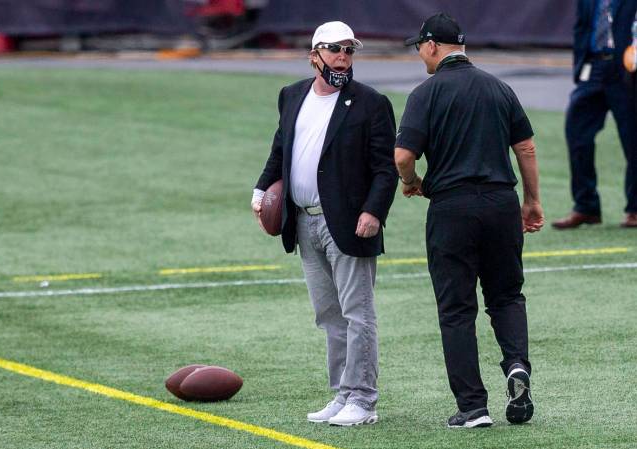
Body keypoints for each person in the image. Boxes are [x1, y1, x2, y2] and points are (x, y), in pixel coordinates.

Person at [395, 13, 545, 428]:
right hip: (500, 203)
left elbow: (403, 156)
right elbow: (527, 148)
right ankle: (517, 366)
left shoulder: (426, 93)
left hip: (452, 208)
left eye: (420, 48)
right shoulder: (500, 88)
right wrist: (531, 201)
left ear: (431, 46)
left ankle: (473, 407)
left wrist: (412, 182)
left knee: (457, 309)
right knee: (507, 296)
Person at [251, 21, 397, 426]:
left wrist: (373, 212)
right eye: (336, 50)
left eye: (350, 51)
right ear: (314, 54)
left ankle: (364, 400)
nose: (343, 58)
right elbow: (281, 147)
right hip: (303, 221)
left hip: (349, 224)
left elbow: (385, 169)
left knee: (358, 313)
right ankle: (343, 393)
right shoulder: (292, 95)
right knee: (328, 315)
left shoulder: (370, 102)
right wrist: (262, 188)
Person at [553, 0, 637, 229]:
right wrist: (579, 67)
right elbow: (581, 26)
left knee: (633, 139)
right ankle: (586, 206)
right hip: (593, 67)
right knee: (577, 132)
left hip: (627, 70)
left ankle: (635, 209)